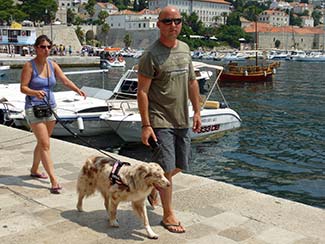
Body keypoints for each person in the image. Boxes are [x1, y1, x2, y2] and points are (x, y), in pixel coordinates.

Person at [137, 6, 201, 233]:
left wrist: (198, 111)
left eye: (177, 20)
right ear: (158, 24)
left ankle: (153, 185)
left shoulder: (185, 49)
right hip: (160, 119)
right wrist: (146, 125)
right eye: (167, 21)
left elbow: (192, 82)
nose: (173, 25)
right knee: (166, 168)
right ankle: (168, 214)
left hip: (182, 118)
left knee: (179, 166)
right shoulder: (150, 55)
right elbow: (142, 91)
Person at [20, 35, 86, 194]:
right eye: (42, 47)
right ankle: (54, 180)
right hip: (34, 108)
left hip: (51, 107)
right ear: (36, 48)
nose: (46, 50)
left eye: (49, 47)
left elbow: (64, 80)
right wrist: (35, 92)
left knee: (44, 142)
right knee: (45, 144)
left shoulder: (52, 65)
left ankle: (35, 169)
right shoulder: (29, 66)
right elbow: (23, 88)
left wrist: (77, 89)